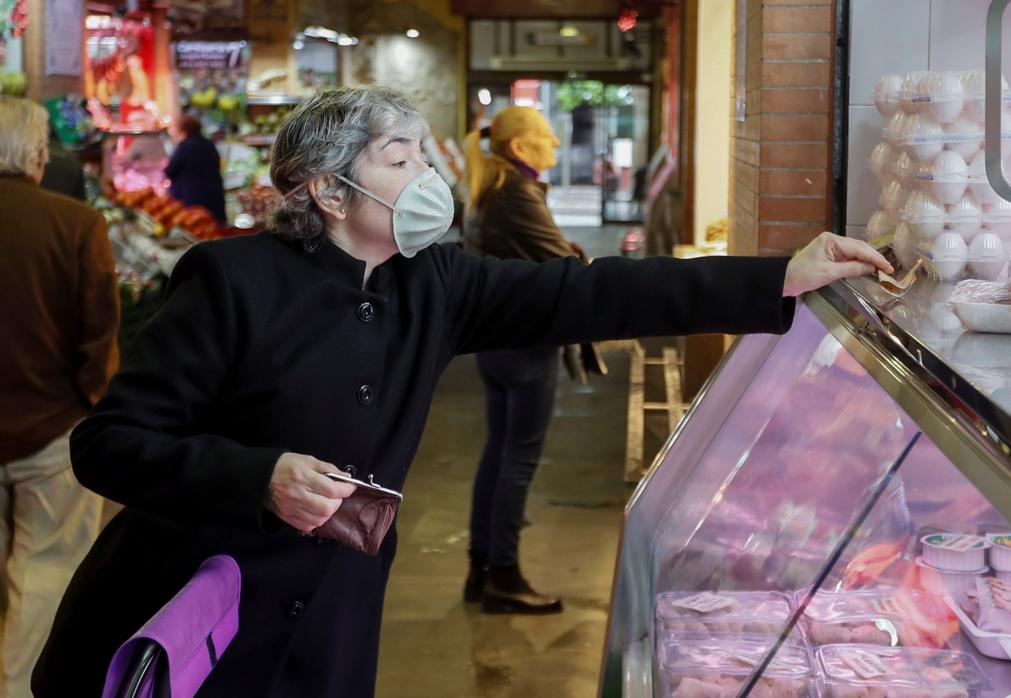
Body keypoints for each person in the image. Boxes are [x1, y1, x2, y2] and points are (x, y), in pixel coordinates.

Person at [32, 87, 890, 697]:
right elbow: (108, 444)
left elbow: (589, 293)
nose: (428, 179)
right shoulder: (230, 281)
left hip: (333, 613)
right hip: (198, 607)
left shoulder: (432, 279)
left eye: (425, 155)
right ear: (329, 191)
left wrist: (778, 274)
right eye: (398, 159)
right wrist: (259, 478)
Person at [0, 97, 118, 698]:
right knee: (46, 571)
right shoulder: (76, 225)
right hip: (53, 429)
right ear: (38, 156)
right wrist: (95, 406)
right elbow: (99, 332)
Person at [460, 106, 586, 614]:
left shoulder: (498, 189)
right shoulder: (516, 192)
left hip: (497, 341)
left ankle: (481, 567)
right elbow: (566, 265)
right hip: (525, 343)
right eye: (545, 135)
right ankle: (505, 576)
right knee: (519, 459)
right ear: (519, 148)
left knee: (499, 453)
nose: (555, 142)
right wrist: (579, 257)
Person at [165, 114, 227, 224]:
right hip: (213, 195)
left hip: (192, 198)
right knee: (213, 229)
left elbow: (170, 170)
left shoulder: (185, 146)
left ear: (183, 130)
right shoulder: (209, 144)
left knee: (197, 228)